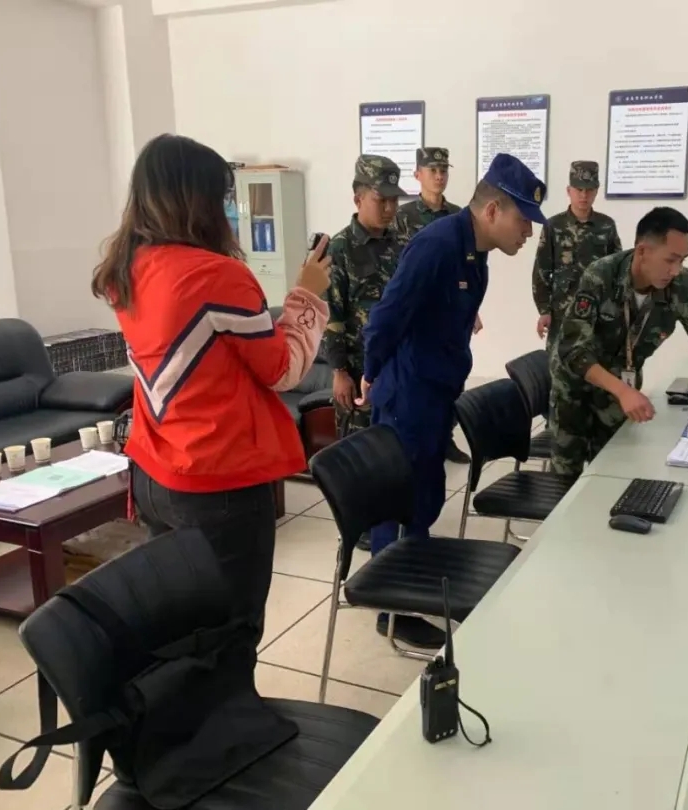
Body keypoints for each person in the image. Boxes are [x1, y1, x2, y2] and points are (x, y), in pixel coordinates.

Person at [90, 133, 331, 658]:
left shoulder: (125, 270)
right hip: (218, 480)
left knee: (178, 620)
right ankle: (229, 709)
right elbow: (283, 370)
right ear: (196, 200)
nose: (230, 211)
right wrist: (306, 294)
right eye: (223, 198)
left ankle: (186, 706)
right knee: (232, 627)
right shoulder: (217, 275)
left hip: (154, 471)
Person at [356, 153, 546, 648]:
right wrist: (371, 374)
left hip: (436, 392)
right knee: (401, 499)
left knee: (426, 493)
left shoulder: (474, 253)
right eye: (523, 220)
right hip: (408, 394)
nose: (528, 233)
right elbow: (386, 316)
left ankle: (413, 579)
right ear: (493, 211)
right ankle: (392, 608)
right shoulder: (437, 245)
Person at [550, 206, 688, 478]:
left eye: (682, 260)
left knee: (611, 471)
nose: (676, 270)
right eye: (670, 260)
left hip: (621, 392)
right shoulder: (601, 276)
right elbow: (574, 350)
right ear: (643, 251)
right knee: (566, 480)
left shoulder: (681, 284)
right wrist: (622, 391)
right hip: (574, 392)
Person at [323, 155, 408, 552]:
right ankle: (358, 528)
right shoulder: (339, 249)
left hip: (394, 371)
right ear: (358, 198)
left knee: (391, 454)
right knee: (359, 455)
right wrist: (339, 371)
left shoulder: (401, 244)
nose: (390, 208)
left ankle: (387, 524)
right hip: (356, 371)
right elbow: (332, 316)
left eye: (394, 200)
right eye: (381, 199)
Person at [393, 146, 474, 465]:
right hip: (418, 311)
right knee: (419, 377)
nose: (439, 176)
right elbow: (397, 266)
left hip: (452, 310)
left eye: (443, 171)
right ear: (418, 175)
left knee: (453, 374)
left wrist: (472, 306)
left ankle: (445, 437)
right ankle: (417, 442)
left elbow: (466, 264)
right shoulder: (403, 217)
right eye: (432, 171)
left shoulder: (458, 215)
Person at [532, 160, 622, 354]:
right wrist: (544, 310)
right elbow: (541, 271)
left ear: (596, 191)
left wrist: (615, 310)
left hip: (597, 316)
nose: (583, 195)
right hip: (561, 315)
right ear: (569, 190)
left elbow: (618, 271)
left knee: (595, 364)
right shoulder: (553, 226)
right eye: (578, 189)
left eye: (589, 190)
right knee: (557, 366)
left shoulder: (606, 226)